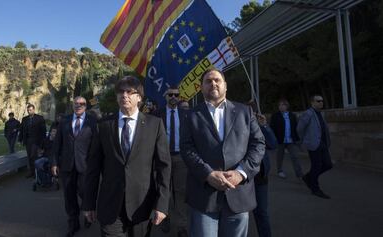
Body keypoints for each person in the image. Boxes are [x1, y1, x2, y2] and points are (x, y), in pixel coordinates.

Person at [180, 68, 266, 237]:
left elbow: (258, 144)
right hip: (204, 196)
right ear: (201, 87)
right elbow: (187, 148)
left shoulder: (245, 112)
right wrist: (208, 174)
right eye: (208, 81)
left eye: (217, 80)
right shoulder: (190, 116)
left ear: (225, 86)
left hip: (238, 193)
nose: (213, 83)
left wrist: (241, 173)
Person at [82, 76, 171, 237]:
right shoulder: (104, 126)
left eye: (130, 92)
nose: (124, 95)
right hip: (110, 205)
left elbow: (163, 166)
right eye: (121, 92)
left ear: (139, 98)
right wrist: (88, 203)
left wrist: (162, 204)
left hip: (142, 205)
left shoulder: (155, 124)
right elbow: (93, 168)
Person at [51, 96, 97, 237]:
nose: (78, 105)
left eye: (82, 103)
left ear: (86, 106)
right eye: (76, 103)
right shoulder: (64, 121)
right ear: (73, 105)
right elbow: (57, 143)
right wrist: (54, 163)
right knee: (69, 196)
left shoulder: (92, 121)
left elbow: (96, 146)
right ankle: (73, 223)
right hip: (67, 166)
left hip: (85, 166)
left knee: (84, 193)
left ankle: (87, 213)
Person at [153, 86, 188, 237]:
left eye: (176, 95)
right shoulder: (156, 114)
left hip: (181, 158)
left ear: (180, 97)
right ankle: (164, 217)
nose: (173, 97)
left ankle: (182, 226)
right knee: (164, 189)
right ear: (165, 97)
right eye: (170, 95)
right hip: (163, 158)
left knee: (180, 192)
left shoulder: (186, 114)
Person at [297, 95, 333, 199]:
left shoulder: (320, 114)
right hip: (314, 145)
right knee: (316, 167)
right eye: (318, 101)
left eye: (322, 101)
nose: (321, 102)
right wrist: (305, 141)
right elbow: (300, 128)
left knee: (328, 164)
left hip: (323, 144)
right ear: (312, 103)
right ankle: (315, 189)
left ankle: (308, 177)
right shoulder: (308, 113)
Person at [254, 113, 277, 237]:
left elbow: (273, 144)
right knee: (239, 214)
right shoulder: (237, 127)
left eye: (254, 113)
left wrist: (264, 125)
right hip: (242, 178)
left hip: (261, 176)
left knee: (261, 212)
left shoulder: (261, 128)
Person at [270, 99, 303, 179]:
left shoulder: (292, 115)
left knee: (295, 156)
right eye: (279, 105)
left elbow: (295, 127)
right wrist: (273, 139)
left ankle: (300, 174)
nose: (281, 107)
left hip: (291, 140)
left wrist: (297, 139)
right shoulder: (275, 116)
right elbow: (272, 128)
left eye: (283, 105)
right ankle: (280, 171)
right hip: (280, 140)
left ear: (287, 106)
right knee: (280, 156)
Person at [18, 104, 46, 178]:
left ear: (34, 110)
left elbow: (43, 131)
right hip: (28, 140)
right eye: (28, 110)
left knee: (34, 156)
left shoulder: (40, 118)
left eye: (30, 110)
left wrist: (43, 142)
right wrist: (20, 140)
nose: (29, 111)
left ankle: (36, 173)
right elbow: (21, 130)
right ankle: (32, 172)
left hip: (36, 141)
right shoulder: (24, 119)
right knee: (29, 157)